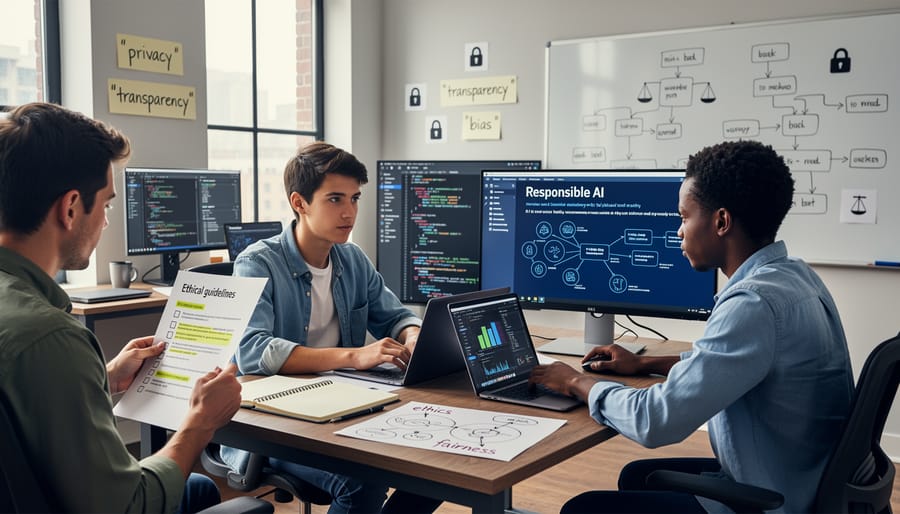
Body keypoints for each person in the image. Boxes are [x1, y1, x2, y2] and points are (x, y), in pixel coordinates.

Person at [529, 140, 854, 514]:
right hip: (802, 476)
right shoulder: (796, 277)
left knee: (582, 509)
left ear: (721, 222)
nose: (679, 232)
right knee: (637, 477)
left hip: (773, 499)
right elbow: (740, 364)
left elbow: (656, 421)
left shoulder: (753, 303)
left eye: (684, 217)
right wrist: (646, 364)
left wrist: (576, 382)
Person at [0, 102, 243, 513]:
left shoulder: (29, 326)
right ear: (71, 207)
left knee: (198, 489)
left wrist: (105, 377)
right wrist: (200, 422)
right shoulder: (51, 337)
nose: (107, 221)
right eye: (108, 205)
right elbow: (128, 507)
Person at [223, 141, 441, 514]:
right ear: (300, 203)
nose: (350, 212)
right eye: (335, 199)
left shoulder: (352, 259)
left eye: (355, 199)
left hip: (343, 408)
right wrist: (355, 356)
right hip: (273, 426)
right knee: (361, 485)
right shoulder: (256, 263)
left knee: (438, 466)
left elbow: (395, 315)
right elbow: (253, 351)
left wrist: (414, 334)